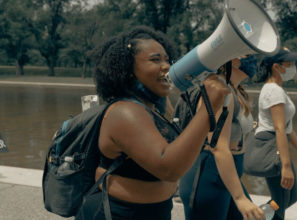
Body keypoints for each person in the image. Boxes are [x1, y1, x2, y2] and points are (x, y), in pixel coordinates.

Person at [75, 26, 230, 220]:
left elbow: (181, 146)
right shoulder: (125, 112)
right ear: (128, 69)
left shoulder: (154, 107)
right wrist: (208, 108)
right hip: (118, 213)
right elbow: (169, 168)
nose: (167, 66)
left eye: (167, 60)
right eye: (155, 60)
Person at [175, 56, 265, 220]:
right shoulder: (219, 90)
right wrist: (240, 198)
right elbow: (218, 147)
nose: (254, 60)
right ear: (234, 60)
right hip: (208, 176)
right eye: (248, 55)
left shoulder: (236, 91)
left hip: (226, 175)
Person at [253, 47, 297, 220]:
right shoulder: (273, 91)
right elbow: (279, 129)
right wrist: (286, 166)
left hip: (278, 147)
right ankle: (254, 216)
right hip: (273, 148)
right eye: (289, 63)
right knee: (280, 201)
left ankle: (255, 215)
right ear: (276, 67)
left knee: (289, 197)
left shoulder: (277, 90)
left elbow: (288, 129)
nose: (293, 67)